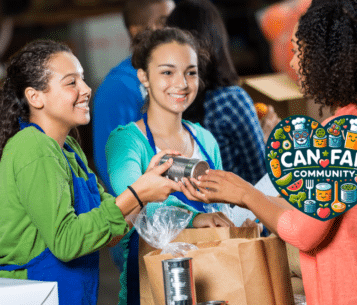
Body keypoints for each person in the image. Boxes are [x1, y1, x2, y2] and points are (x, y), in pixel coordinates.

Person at [186, 0, 357, 304]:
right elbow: (317, 213)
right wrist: (240, 194)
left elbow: (303, 233)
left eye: (298, 51)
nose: (293, 64)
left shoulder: (344, 132)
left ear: (330, 58)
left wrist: (246, 194)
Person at [0, 39, 186, 305]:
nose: (86, 89)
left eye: (83, 79)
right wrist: (136, 192)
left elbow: (111, 230)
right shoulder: (34, 148)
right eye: (71, 82)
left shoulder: (68, 148)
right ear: (35, 97)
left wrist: (147, 187)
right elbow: (66, 242)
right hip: (37, 295)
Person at [105, 27, 234, 305]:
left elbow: (221, 205)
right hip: (154, 283)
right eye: (167, 72)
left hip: (213, 280)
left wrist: (237, 221)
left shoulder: (206, 140)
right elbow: (132, 201)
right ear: (144, 77)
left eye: (191, 72)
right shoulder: (127, 142)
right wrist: (195, 219)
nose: (182, 83)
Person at [166, 0, 279, 185]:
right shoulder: (229, 101)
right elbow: (260, 177)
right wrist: (269, 138)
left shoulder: (165, 102)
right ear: (218, 40)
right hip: (238, 210)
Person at [92, 0, 175, 195]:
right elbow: (113, 166)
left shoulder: (177, 75)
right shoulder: (117, 88)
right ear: (136, 31)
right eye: (164, 21)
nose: (174, 29)